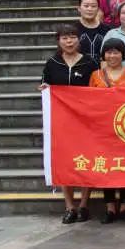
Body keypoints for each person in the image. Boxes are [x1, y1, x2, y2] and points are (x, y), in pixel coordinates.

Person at [40, 25, 99, 223]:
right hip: (62, 122)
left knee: (86, 160)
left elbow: (97, 88)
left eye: (73, 37)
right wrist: (45, 89)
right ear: (58, 41)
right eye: (65, 38)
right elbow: (45, 84)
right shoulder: (52, 63)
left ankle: (83, 205)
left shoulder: (90, 62)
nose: (69, 41)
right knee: (65, 162)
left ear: (78, 40)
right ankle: (69, 206)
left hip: (86, 121)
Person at [87, 38, 125, 222]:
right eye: (108, 52)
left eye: (116, 52)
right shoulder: (95, 75)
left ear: (123, 54)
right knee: (106, 166)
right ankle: (109, 207)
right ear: (103, 55)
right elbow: (88, 99)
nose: (112, 56)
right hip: (102, 128)